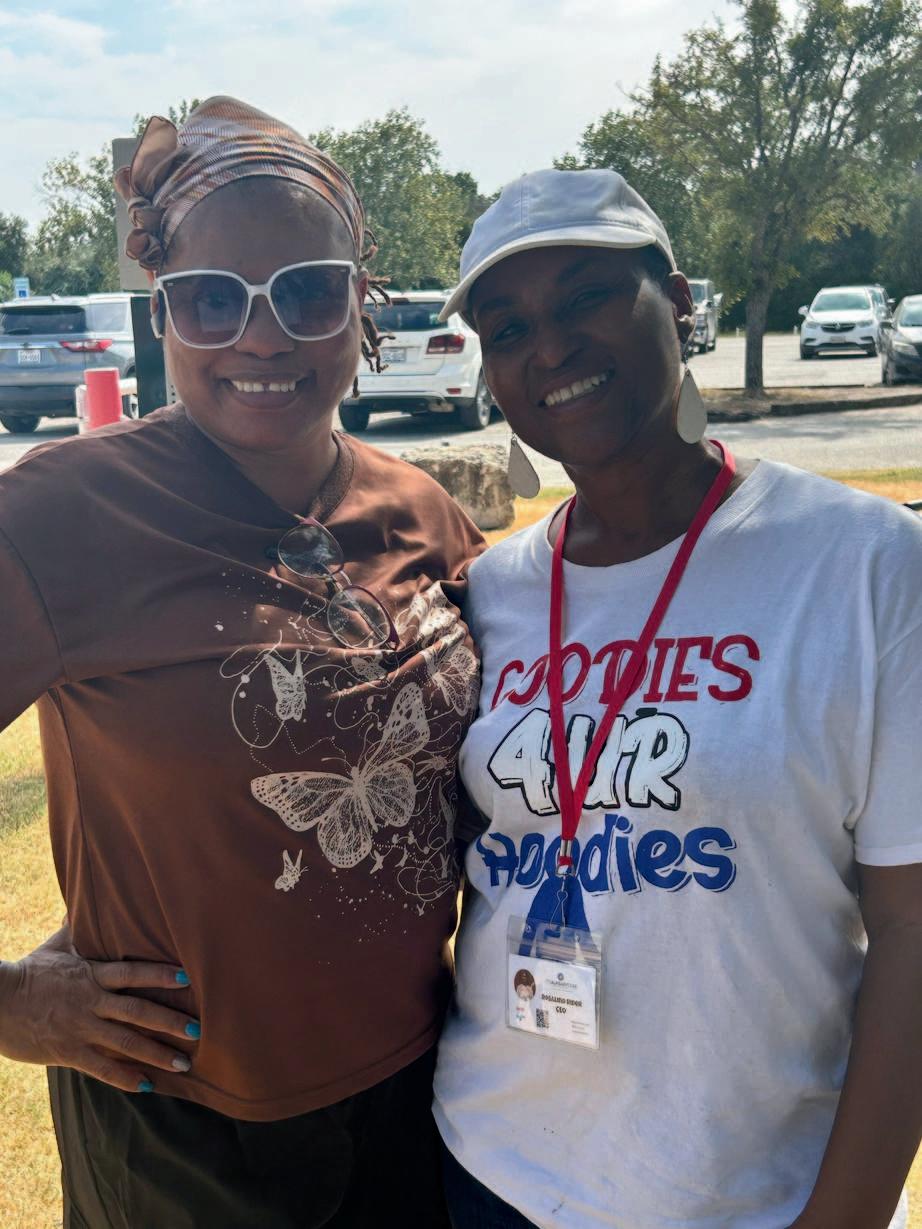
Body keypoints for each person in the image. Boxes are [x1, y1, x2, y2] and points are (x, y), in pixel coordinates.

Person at [0, 97, 483, 1228]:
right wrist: (13, 1005)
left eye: (307, 291)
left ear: (360, 302)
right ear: (160, 311)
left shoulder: (422, 511)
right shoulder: (60, 518)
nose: (261, 338)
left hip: (428, 1094)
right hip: (183, 1131)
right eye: (212, 298)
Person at [433, 168, 922, 1229]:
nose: (549, 347)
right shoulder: (494, 591)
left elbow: (911, 922)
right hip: (490, 1168)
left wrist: (842, 1214)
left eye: (587, 297)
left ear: (681, 301)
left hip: (748, 1194)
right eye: (508, 328)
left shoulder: (865, 564)